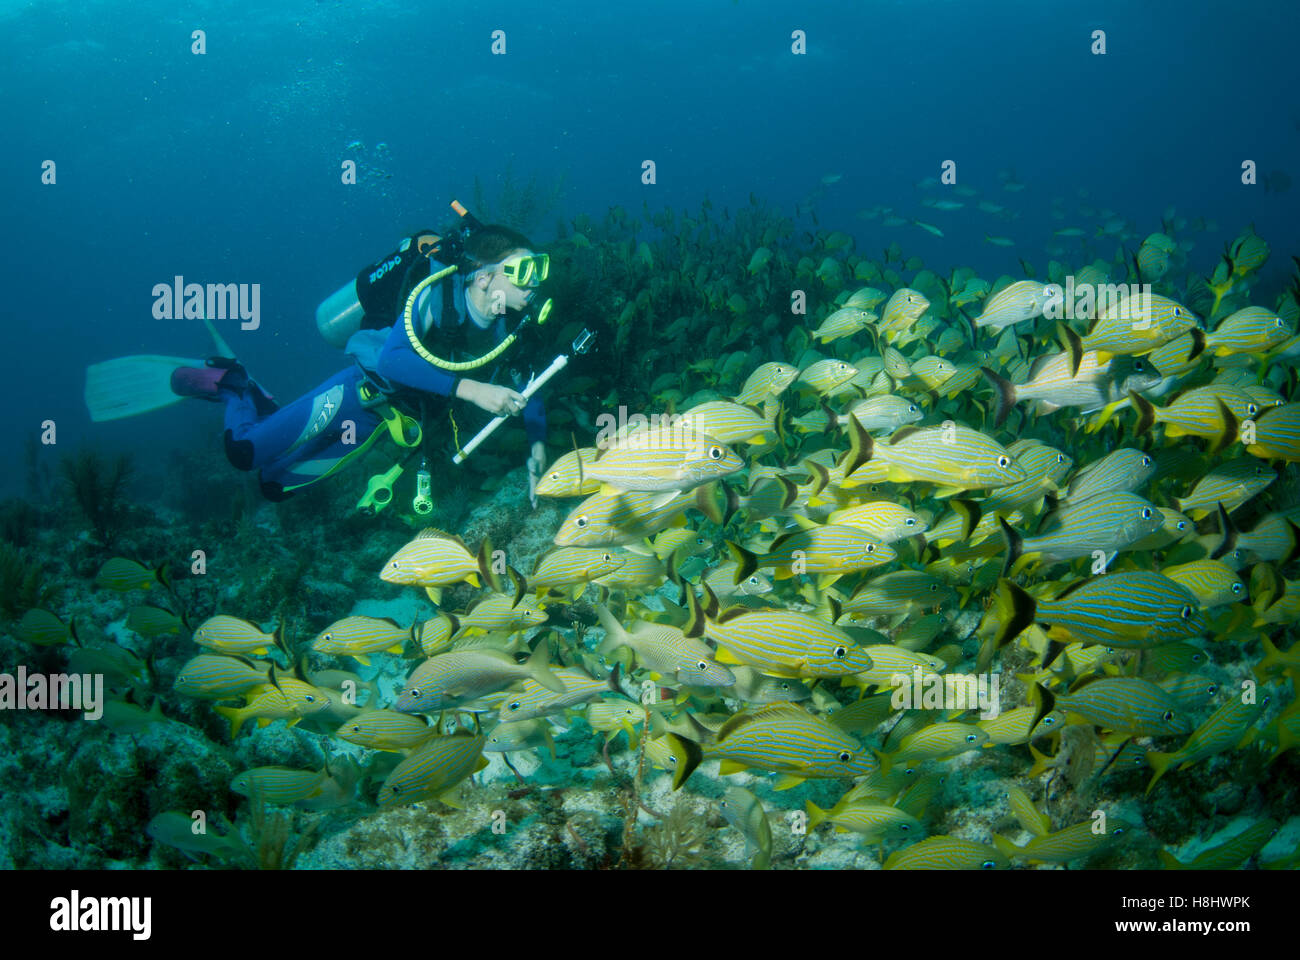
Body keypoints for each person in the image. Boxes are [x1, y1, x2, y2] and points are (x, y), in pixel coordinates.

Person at [170, 215, 552, 509]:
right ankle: (237, 386)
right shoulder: (437, 295)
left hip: (380, 421)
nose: (535, 283)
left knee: (273, 485)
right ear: (484, 279)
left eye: (540, 269)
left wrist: (537, 449)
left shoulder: (510, 326)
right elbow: (391, 360)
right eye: (523, 272)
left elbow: (529, 388)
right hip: (357, 393)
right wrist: (474, 390)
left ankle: (266, 408)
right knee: (244, 454)